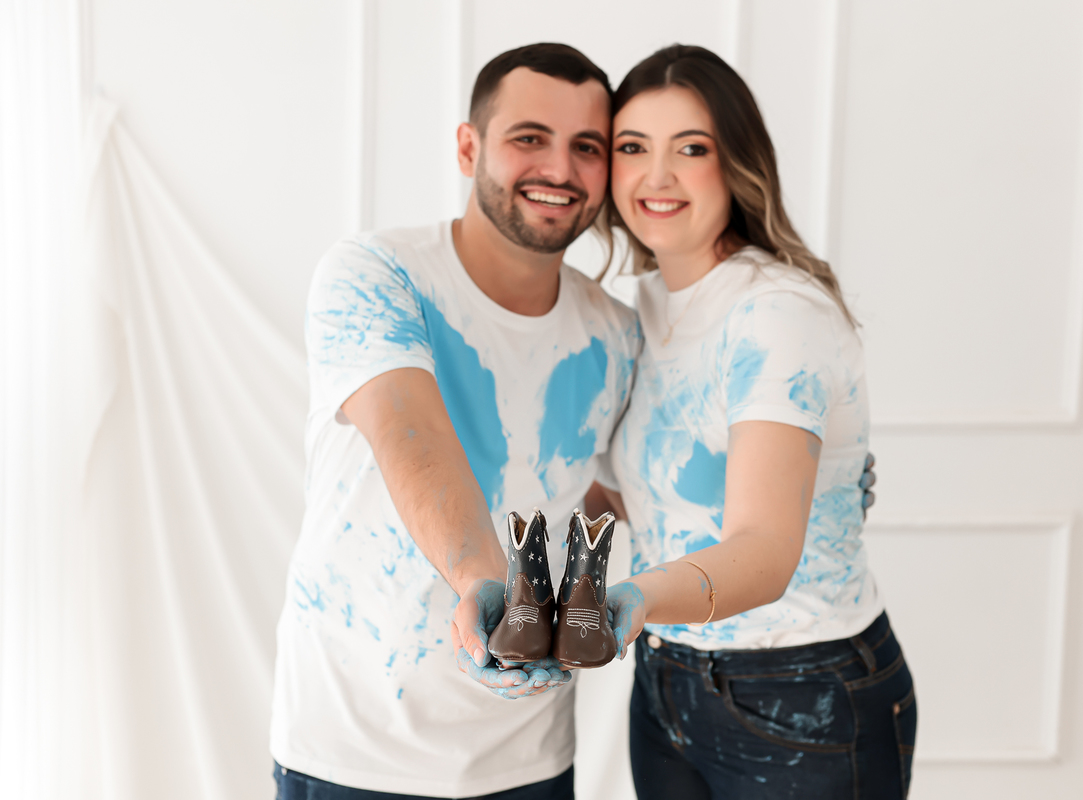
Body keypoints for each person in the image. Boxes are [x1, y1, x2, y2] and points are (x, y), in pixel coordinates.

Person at [269, 43, 642, 799]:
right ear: (469, 148)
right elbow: (410, 436)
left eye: (587, 147)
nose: (560, 169)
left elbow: (606, 490)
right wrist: (479, 577)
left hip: (529, 752)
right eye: (530, 137)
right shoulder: (376, 273)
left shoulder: (617, 333)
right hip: (354, 750)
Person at [593, 45, 917, 799]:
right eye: (632, 148)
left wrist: (630, 599)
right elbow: (636, 498)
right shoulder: (642, 307)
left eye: (691, 149)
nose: (657, 176)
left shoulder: (775, 314)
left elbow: (766, 551)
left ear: (737, 164)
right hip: (666, 677)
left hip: (800, 689)